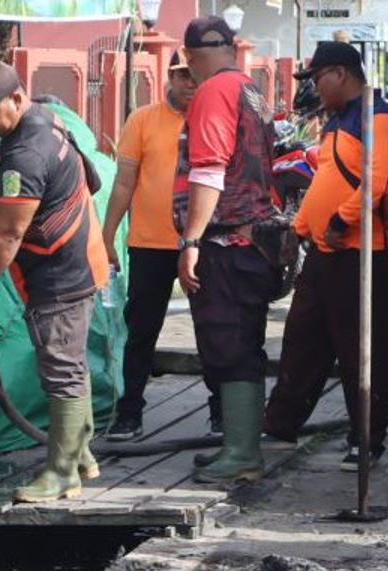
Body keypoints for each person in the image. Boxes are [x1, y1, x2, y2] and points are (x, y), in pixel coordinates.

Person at [0, 60, 110, 503]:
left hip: (60, 272)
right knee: (70, 362)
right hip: (80, 255)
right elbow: (6, 207)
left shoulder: (26, 150)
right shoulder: (40, 118)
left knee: (61, 367)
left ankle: (62, 475)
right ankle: (81, 455)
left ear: (17, 98)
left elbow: (10, 234)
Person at [262, 41, 388, 471]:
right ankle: (280, 425)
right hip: (323, 250)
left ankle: (366, 439)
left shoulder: (378, 116)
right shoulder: (336, 119)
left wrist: (340, 221)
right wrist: (299, 228)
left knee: (360, 349)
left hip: (358, 252)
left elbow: (374, 181)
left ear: (340, 74)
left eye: (319, 78)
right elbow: (326, 176)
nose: (315, 89)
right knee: (302, 339)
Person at [173, 16, 281, 484]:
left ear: (193, 59)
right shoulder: (251, 90)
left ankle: (241, 453)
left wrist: (191, 241)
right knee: (241, 342)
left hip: (228, 240)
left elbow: (209, 171)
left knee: (230, 345)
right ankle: (239, 444)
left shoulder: (214, 92)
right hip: (254, 239)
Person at [103, 49, 225, 441]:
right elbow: (124, 183)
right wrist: (107, 235)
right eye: (182, 75)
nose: (190, 82)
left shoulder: (215, 116)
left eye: (195, 74)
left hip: (202, 243)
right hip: (149, 244)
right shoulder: (142, 120)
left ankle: (221, 412)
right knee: (141, 330)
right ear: (170, 77)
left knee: (212, 329)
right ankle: (130, 413)